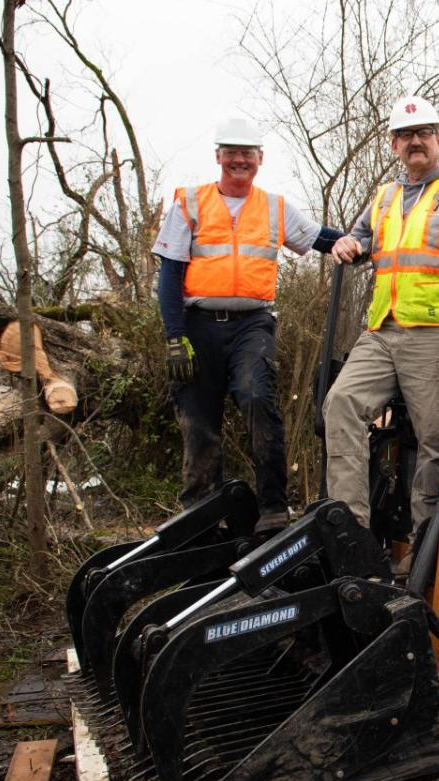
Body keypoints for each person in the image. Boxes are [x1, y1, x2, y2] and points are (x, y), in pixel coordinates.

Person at [153, 117, 344, 533]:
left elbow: (318, 238)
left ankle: (273, 508)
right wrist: (174, 336)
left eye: (247, 153)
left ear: (260, 159)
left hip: (251, 324)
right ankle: (200, 512)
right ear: (219, 157)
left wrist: (356, 241)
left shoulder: (274, 207)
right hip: (197, 323)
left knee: (257, 397)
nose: (239, 160)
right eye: (231, 152)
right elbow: (169, 273)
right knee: (199, 419)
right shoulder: (189, 203)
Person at [326, 95, 439, 567]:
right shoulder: (384, 197)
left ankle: (424, 554)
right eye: (405, 135)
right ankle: (352, 533)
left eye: (423, 134)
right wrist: (348, 243)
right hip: (382, 330)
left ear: (438, 139)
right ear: (394, 144)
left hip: (436, 336)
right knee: (341, 403)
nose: (414, 142)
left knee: (433, 443)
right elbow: (360, 239)